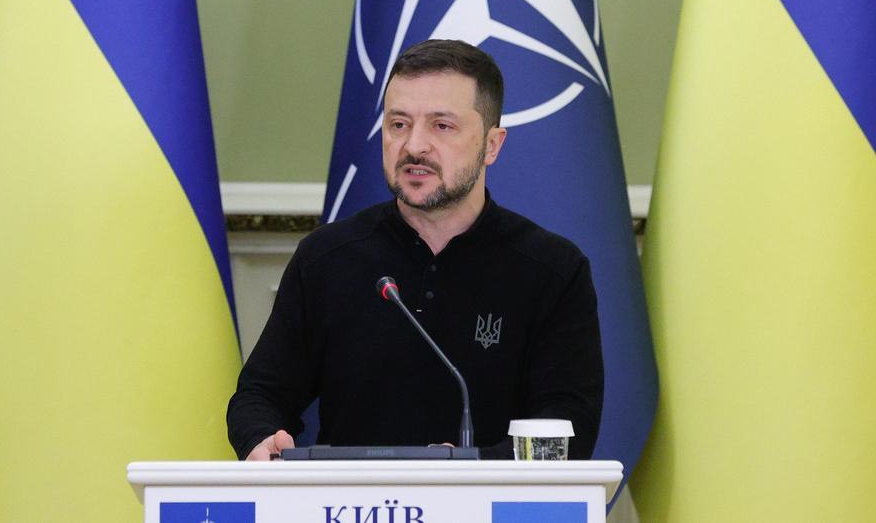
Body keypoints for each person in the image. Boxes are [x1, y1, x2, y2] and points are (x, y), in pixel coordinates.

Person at [226, 39, 604, 461]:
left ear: (492, 145)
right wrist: (261, 436)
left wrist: (464, 470)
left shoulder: (552, 270)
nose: (414, 146)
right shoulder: (327, 258)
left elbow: (567, 431)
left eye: (441, 126)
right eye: (398, 124)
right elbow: (259, 396)